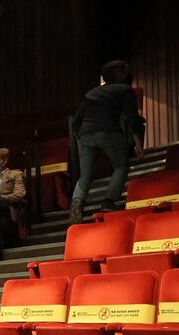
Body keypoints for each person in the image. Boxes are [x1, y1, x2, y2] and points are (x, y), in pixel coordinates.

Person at [69, 60, 145, 223]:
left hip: (85, 135)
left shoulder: (91, 93)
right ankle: (109, 201)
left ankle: (77, 201)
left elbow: (77, 119)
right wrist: (138, 143)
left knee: (86, 175)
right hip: (109, 132)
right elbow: (132, 118)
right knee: (121, 166)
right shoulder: (125, 90)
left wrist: (78, 137)